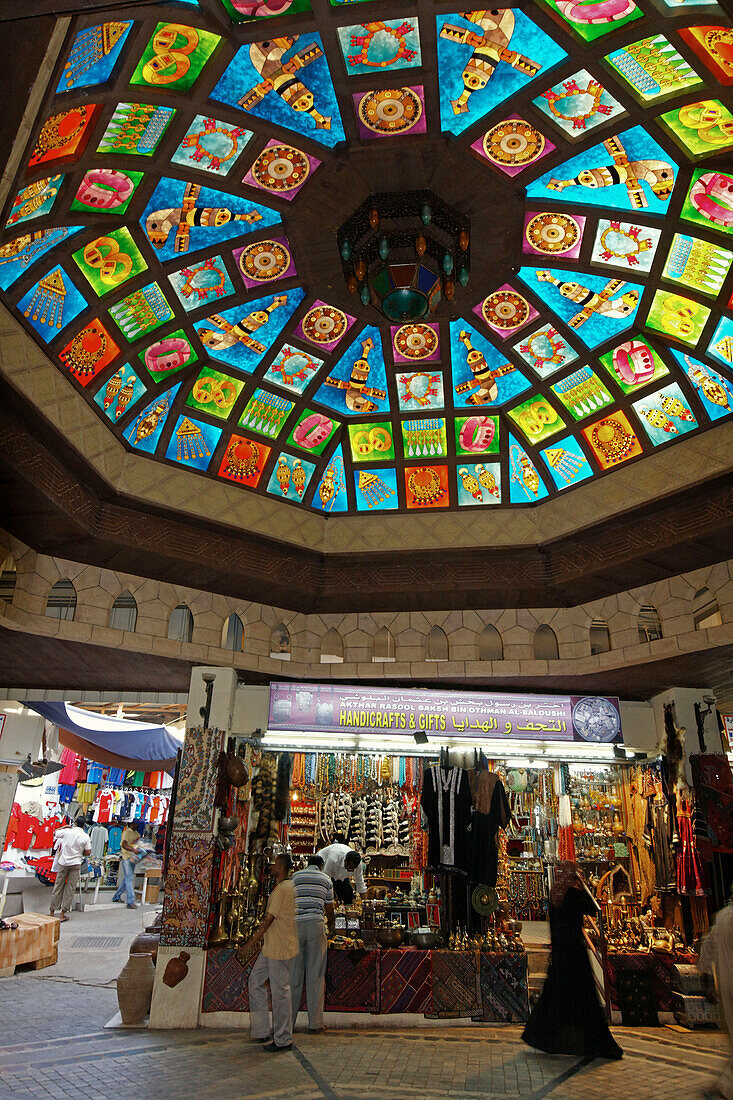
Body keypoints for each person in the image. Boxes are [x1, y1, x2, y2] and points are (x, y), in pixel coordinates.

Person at [522, 861, 622, 1061]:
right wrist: (582, 884)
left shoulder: (554, 893)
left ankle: (543, 1036)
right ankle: (587, 1041)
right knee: (584, 996)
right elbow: (592, 908)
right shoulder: (574, 894)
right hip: (574, 952)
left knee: (555, 994)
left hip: (560, 950)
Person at [244, 852, 298, 1052]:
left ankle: (283, 1038)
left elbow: (268, 920)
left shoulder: (282, 890)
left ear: (281, 866)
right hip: (274, 945)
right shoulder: (289, 888)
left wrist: (250, 943)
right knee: (255, 981)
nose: (271, 864)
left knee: (280, 991)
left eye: (274, 862)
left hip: (279, 946)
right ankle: (261, 1030)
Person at [290, 854, 335, 1035]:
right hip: (316, 924)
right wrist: (330, 928)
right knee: (316, 975)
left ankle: (288, 1023)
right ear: (321, 865)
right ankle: (315, 1024)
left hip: (295, 925)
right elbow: (329, 909)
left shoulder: (295, 876)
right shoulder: (325, 879)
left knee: (294, 976)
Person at [699, 892, 733, 1098]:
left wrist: (708, 980)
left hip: (727, 986)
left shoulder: (722, 917)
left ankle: (725, 1086)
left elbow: (707, 947)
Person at [49, 817, 91, 922]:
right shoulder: (85, 836)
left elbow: (55, 833)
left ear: (75, 823)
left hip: (63, 862)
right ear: (84, 825)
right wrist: (81, 853)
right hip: (76, 863)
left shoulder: (67, 832)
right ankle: (62, 914)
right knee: (70, 889)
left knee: (58, 886)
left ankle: (52, 912)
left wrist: (65, 826)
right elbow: (88, 851)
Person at [112, 822, 141, 909]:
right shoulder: (127, 832)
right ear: (132, 824)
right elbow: (124, 845)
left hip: (132, 858)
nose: (138, 824)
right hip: (127, 858)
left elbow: (138, 842)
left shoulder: (136, 833)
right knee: (129, 879)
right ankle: (130, 901)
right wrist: (133, 849)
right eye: (136, 823)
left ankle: (116, 896)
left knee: (128, 878)